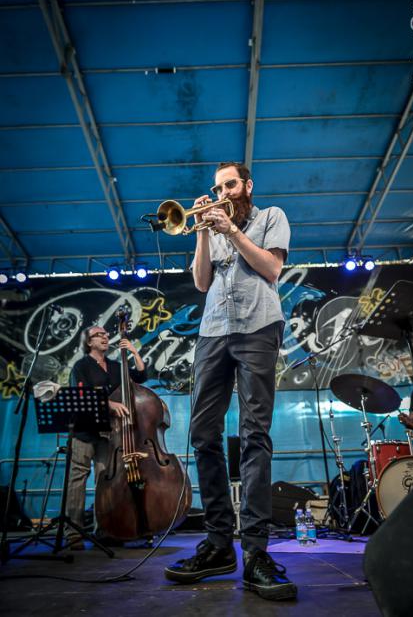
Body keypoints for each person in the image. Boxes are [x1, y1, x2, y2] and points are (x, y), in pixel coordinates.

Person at [164, 162, 296, 601]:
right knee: (203, 435)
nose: (223, 192)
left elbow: (272, 270)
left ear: (246, 186)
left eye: (230, 185)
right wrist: (203, 230)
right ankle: (219, 544)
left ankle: (256, 552)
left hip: (259, 327)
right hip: (212, 331)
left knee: (254, 434)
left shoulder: (270, 217)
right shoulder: (211, 228)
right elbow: (201, 282)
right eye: (217, 188)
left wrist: (233, 232)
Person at [66, 325, 146, 549]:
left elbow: (140, 376)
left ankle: (105, 529)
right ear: (89, 342)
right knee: (77, 480)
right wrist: (109, 403)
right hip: (84, 430)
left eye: (106, 334)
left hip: (108, 432)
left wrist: (133, 351)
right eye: (99, 335)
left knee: (105, 482)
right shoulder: (81, 366)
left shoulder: (115, 366)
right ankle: (74, 533)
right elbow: (81, 394)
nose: (105, 337)